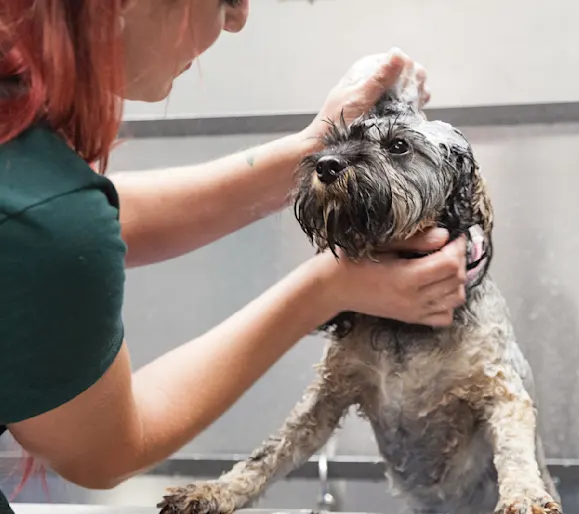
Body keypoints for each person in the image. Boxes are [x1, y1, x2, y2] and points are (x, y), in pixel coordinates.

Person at [0, 1, 468, 512]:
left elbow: (82, 215)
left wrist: (314, 147)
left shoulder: (25, 175)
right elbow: (106, 451)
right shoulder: (41, 216)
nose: (238, 19)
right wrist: (331, 287)